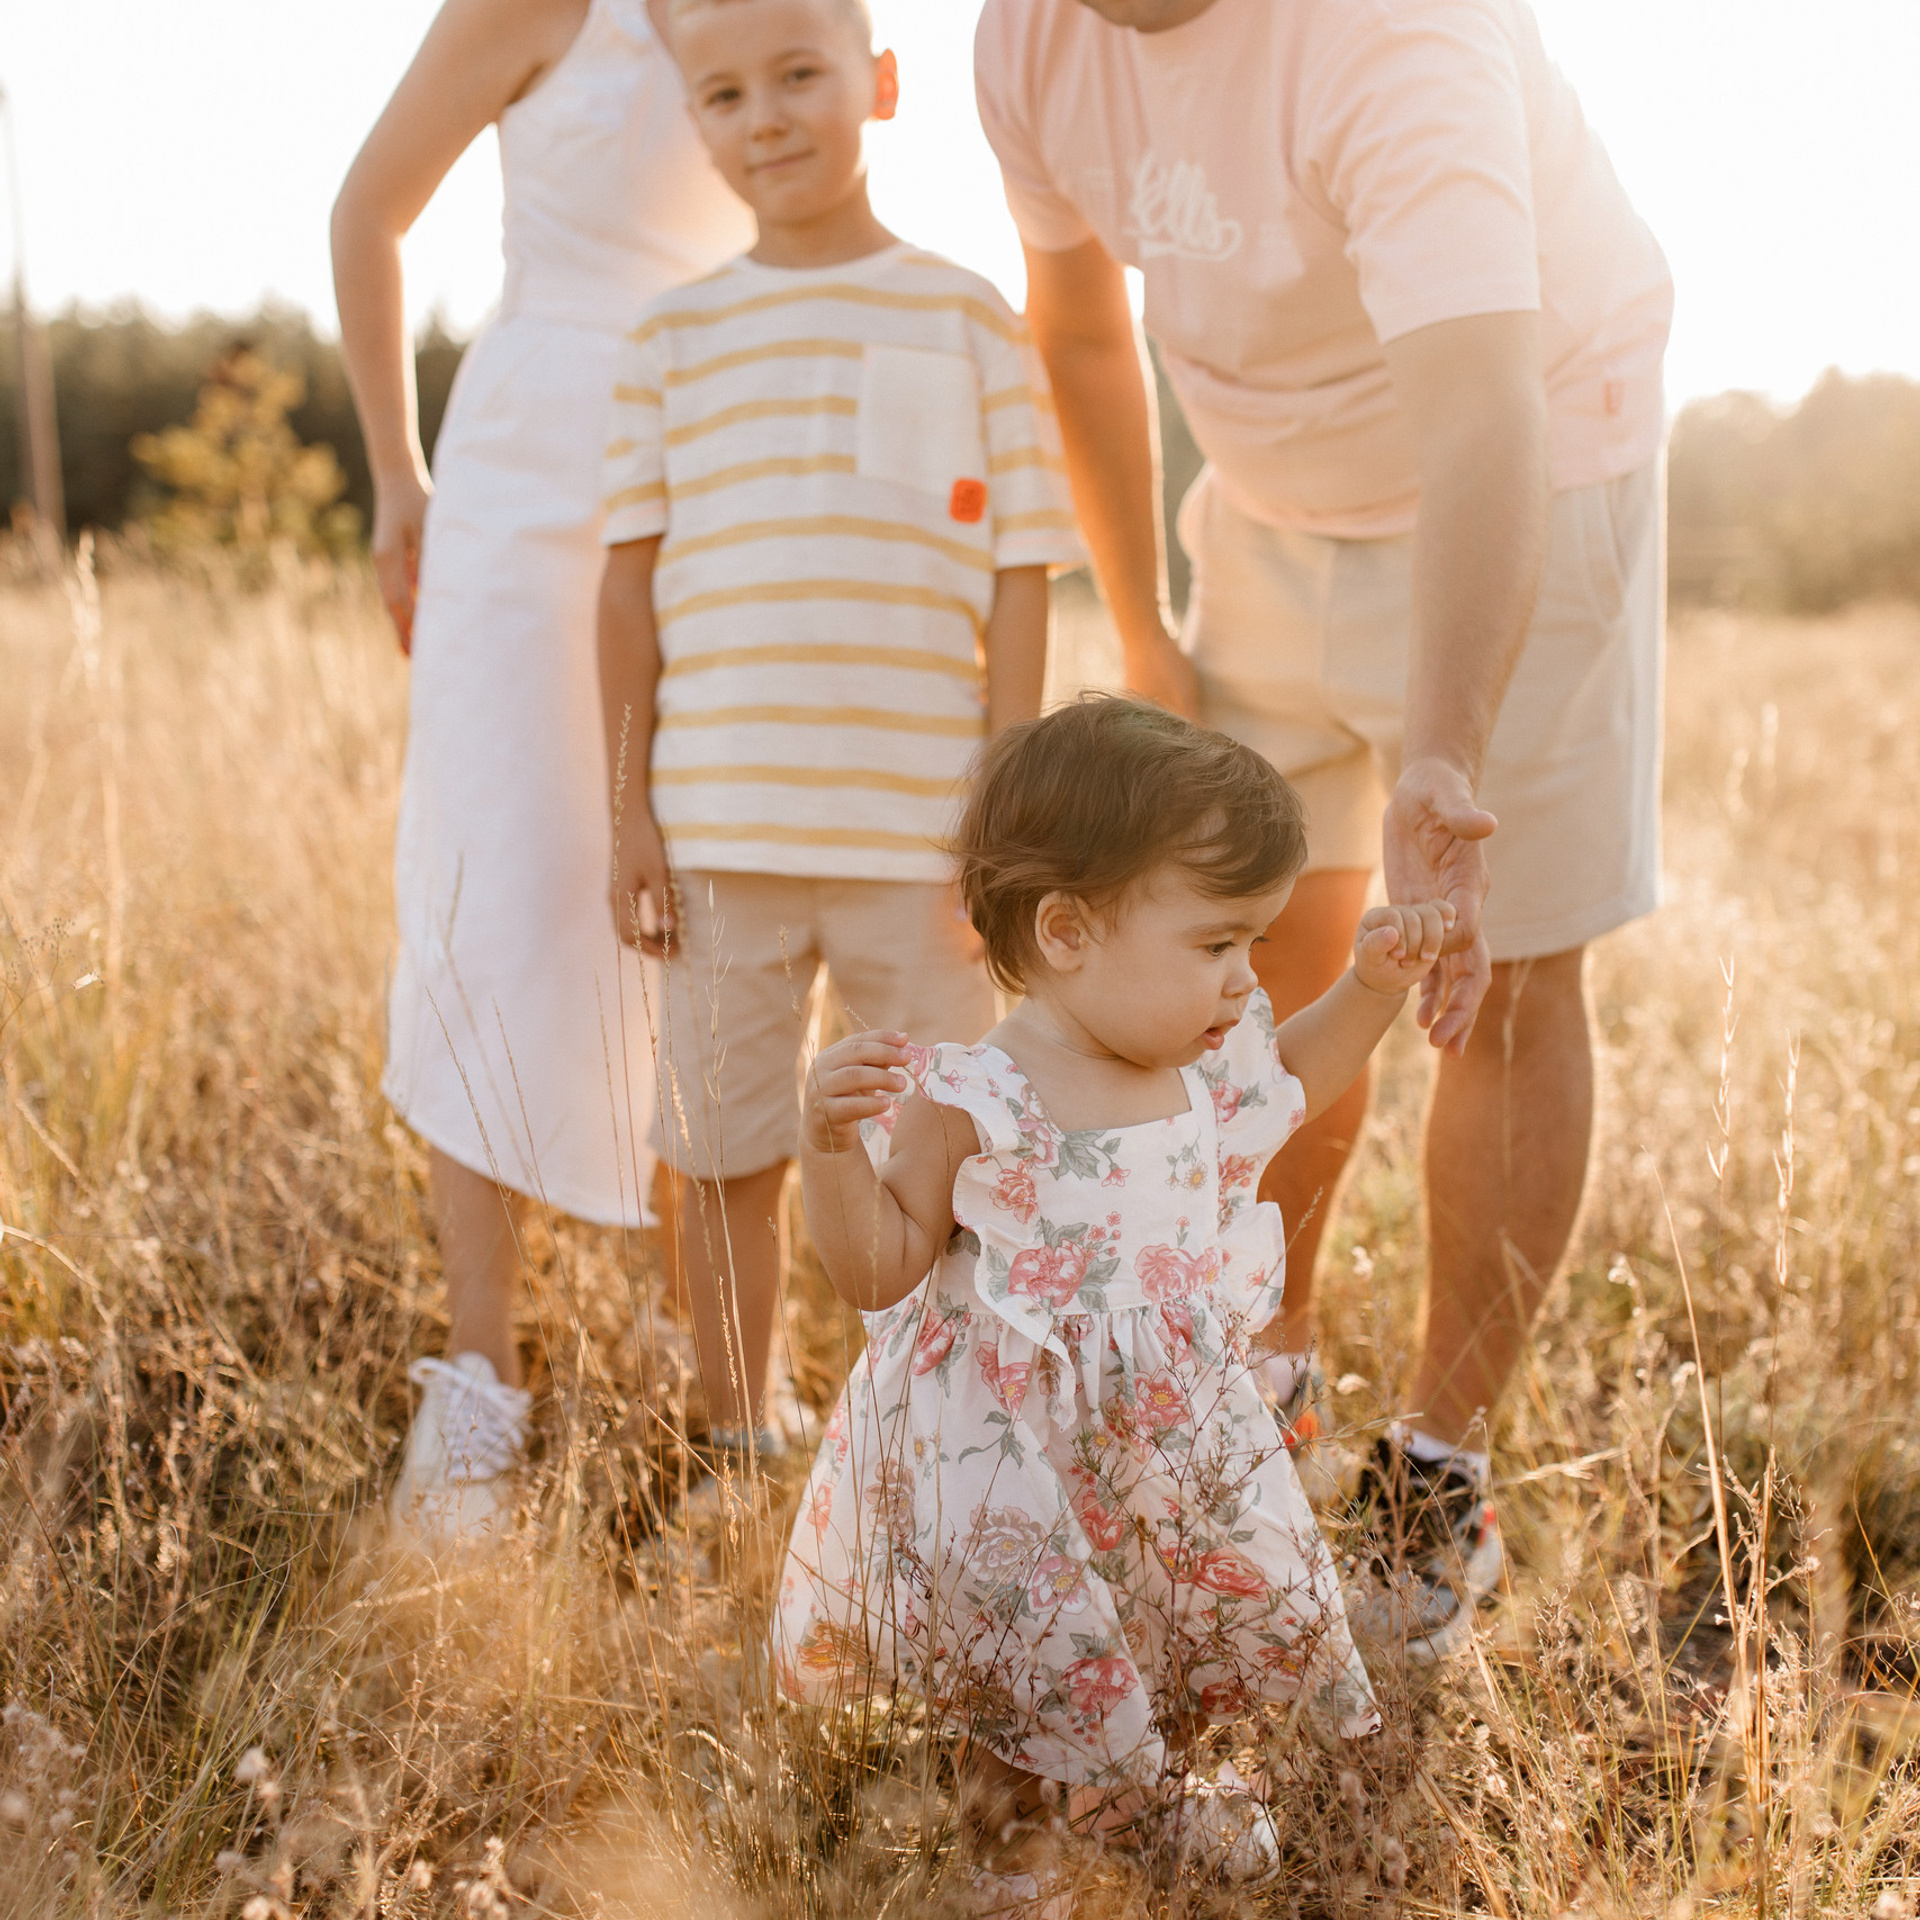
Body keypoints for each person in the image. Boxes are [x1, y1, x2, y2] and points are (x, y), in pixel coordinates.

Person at [974, 0, 1673, 1658]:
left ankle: (1439, 1476)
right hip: (1274, 496)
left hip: (1528, 463)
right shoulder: (1028, 42)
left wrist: (1441, 759)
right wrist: (1144, 618)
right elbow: (1079, 326)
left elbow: (1483, 402)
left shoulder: (1393, 36)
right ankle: (1257, 1376)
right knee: (1247, 959)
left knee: (1486, 979)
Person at [772, 698, 1457, 1916]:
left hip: (1166, 1438)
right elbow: (878, 1271)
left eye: (1251, 945)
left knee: (1171, 1623)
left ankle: (1143, 1806)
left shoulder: (1199, 1071)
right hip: (1015, 1458)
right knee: (1031, 1657)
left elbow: (1296, 1075)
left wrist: (1369, 984)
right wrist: (826, 1145)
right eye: (1215, 945)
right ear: (1069, 931)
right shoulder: (976, 1095)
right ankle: (1012, 1850)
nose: (1245, 978)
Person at [596, 0, 1082, 1459]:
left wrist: (1004, 814)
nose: (767, 118)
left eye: (799, 76)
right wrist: (631, 813)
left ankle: (948, 1433)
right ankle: (735, 1436)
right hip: (720, 839)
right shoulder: (672, 339)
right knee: (727, 1152)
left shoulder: (964, 314)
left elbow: (1020, 574)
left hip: (920, 846)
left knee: (940, 1142)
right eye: (725, 94)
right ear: (698, 125)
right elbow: (626, 592)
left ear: (876, 83)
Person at [332, 0, 753, 1544]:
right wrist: (398, 473)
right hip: (524, 487)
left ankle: (691, 1338)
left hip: (722, 468)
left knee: (700, 895)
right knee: (497, 889)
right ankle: (479, 1367)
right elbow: (366, 209)